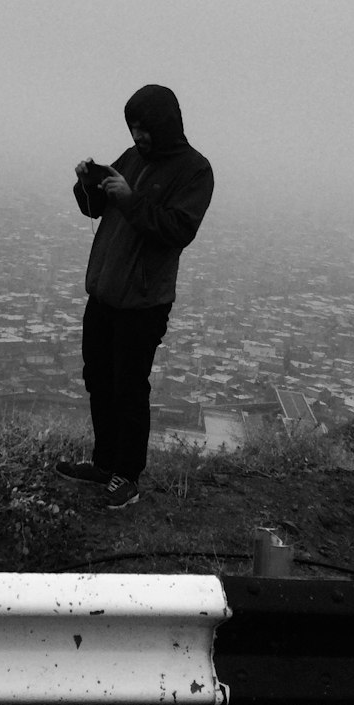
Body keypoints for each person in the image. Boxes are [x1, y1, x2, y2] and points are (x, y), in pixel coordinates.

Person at [57, 84, 214, 508]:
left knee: (128, 387)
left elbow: (178, 229)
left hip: (143, 302)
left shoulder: (195, 171)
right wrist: (86, 185)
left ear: (166, 124)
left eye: (144, 128)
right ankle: (104, 465)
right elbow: (96, 209)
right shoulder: (131, 159)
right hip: (105, 293)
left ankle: (127, 476)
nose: (137, 136)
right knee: (99, 380)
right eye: (132, 127)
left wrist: (130, 199)